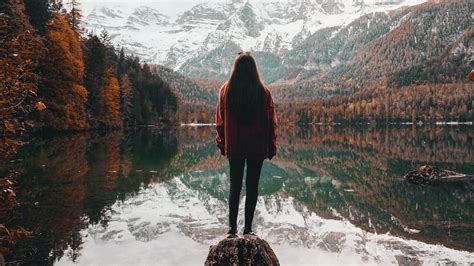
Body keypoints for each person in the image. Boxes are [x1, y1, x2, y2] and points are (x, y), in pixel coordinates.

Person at [215, 51, 278, 238]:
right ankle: (248, 229)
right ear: (254, 69)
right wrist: (271, 146)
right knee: (252, 187)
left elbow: (220, 122)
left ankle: (232, 230)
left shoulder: (225, 90)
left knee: (234, 186)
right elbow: (272, 122)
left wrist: (223, 144)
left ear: (235, 69)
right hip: (256, 147)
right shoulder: (264, 92)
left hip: (234, 146)